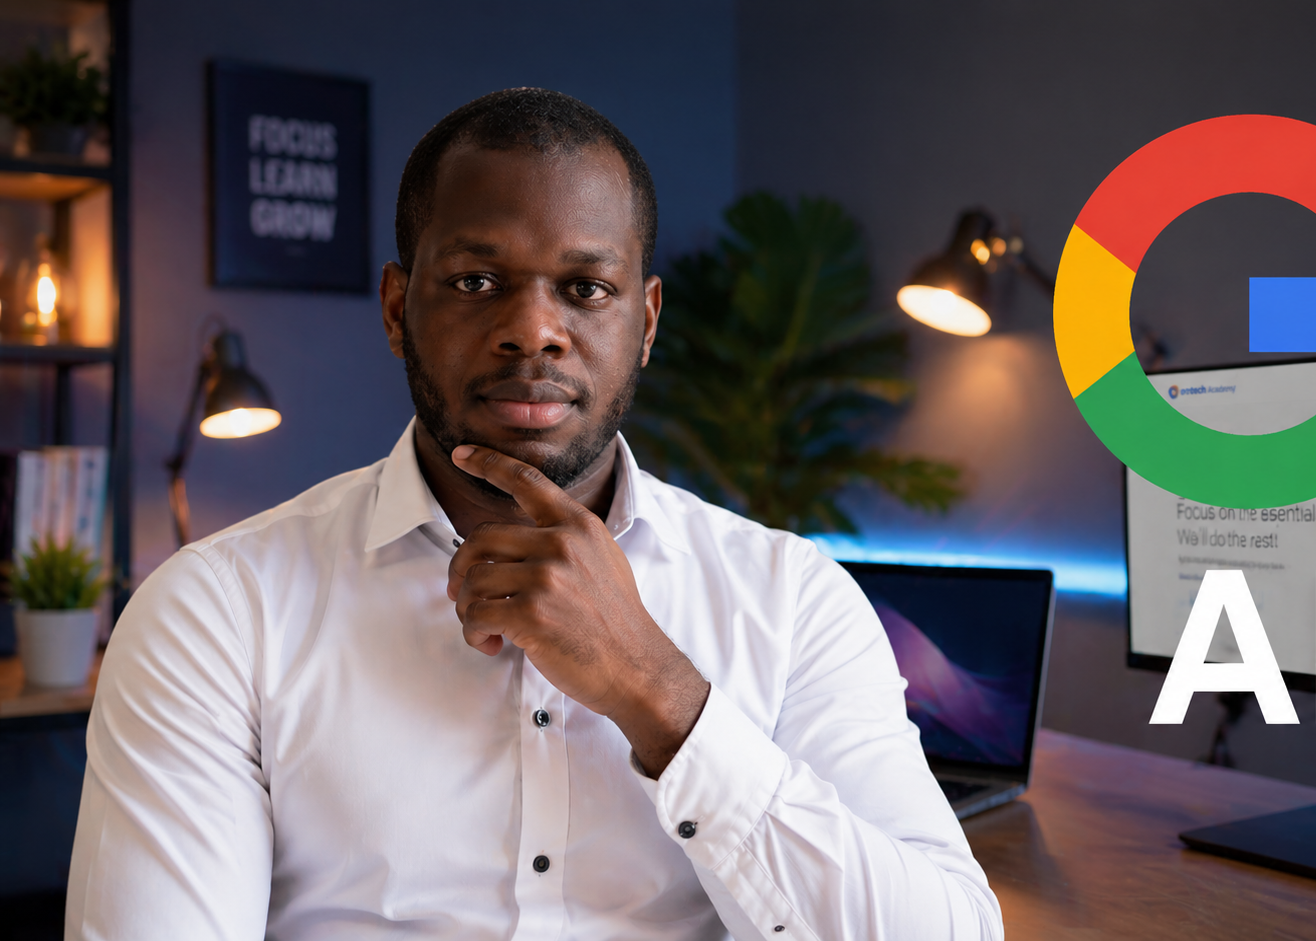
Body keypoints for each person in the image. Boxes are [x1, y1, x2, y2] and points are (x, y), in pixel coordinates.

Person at [65, 88, 1001, 940]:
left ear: (646, 320)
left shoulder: (794, 601)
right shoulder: (214, 614)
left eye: (586, 289)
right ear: (398, 309)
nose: (534, 329)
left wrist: (658, 691)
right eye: (477, 282)